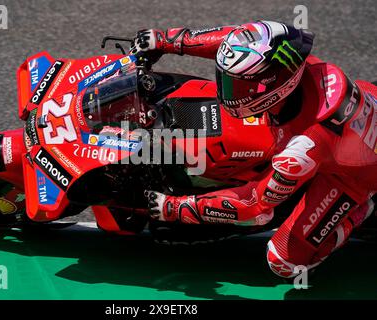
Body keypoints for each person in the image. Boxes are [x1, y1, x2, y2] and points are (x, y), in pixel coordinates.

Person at [130, 21, 377, 278]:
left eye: (240, 86)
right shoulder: (291, 60)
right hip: (360, 115)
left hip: (352, 177)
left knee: (284, 262)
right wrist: (166, 40)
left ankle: (359, 212)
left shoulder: (303, 148)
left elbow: (255, 206)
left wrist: (177, 208)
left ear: (274, 85)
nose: (230, 91)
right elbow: (232, 39)